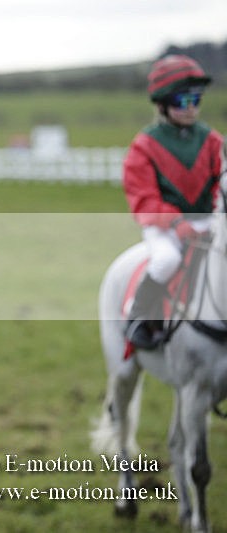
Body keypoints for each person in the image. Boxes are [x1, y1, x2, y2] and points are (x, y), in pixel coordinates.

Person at [123, 54, 224, 349]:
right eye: (182, 101)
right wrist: (176, 222)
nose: (191, 108)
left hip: (208, 219)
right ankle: (138, 316)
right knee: (167, 260)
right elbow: (144, 198)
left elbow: (221, 182)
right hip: (164, 226)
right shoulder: (144, 145)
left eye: (196, 100)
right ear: (163, 104)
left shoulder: (211, 140)